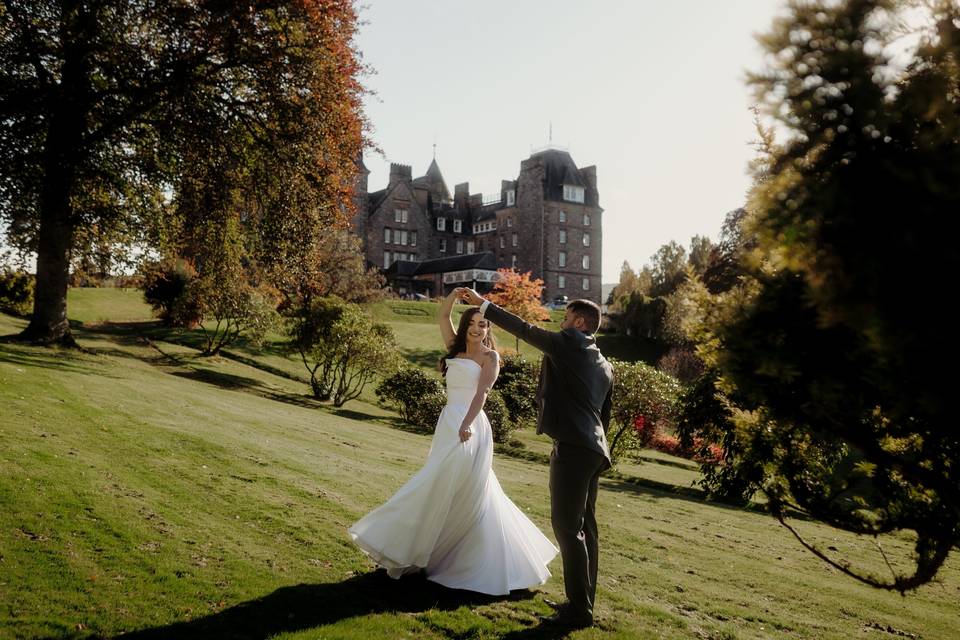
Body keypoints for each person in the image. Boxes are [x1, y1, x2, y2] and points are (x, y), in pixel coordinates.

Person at [348, 287, 558, 595]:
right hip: (448, 422)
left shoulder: (490, 357)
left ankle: (467, 559)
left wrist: (466, 424)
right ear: (466, 326)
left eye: (483, 324)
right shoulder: (454, 348)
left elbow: (482, 394)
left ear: (488, 328)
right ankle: (427, 552)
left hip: (470, 425)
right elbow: (443, 315)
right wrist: (455, 296)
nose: (477, 328)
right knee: (441, 484)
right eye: (472, 323)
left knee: (455, 486)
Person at [460, 289, 613, 628]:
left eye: (565, 317)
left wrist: (481, 303)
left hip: (573, 449)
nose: (561, 323)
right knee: (586, 527)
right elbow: (605, 415)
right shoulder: (604, 363)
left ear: (579, 322)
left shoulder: (569, 343)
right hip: (594, 450)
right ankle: (584, 604)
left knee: (566, 527)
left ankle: (578, 610)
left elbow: (524, 329)